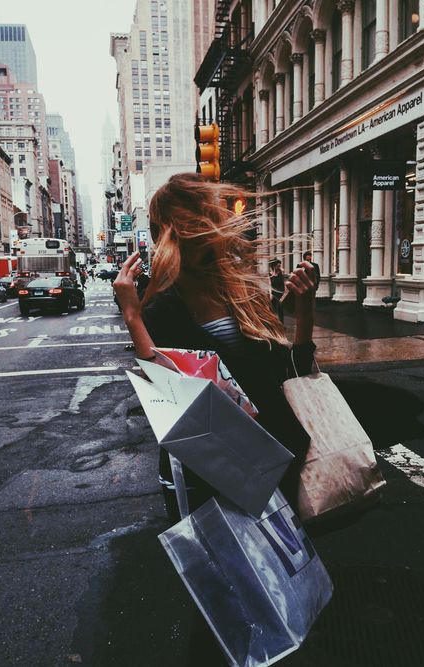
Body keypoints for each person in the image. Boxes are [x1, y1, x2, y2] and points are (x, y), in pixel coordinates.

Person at [113, 172, 316, 518]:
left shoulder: (247, 291)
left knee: (285, 567)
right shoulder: (162, 306)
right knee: (223, 567)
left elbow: (291, 375)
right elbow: (168, 397)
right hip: (204, 470)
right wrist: (132, 317)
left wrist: (305, 308)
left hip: (271, 458)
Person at [268, 258, 285, 322]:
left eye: (279, 265)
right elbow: (270, 285)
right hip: (274, 293)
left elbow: (283, 270)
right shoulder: (270, 274)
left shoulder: (281, 272)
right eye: (278, 266)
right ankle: (272, 323)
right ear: (274, 266)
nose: (279, 267)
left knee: (281, 309)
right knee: (272, 309)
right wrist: (270, 294)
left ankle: (281, 323)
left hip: (281, 293)